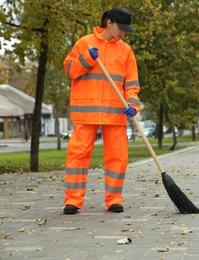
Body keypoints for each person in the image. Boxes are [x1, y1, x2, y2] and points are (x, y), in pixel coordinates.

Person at [63, 6, 140, 214]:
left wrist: (132, 104)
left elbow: (132, 84)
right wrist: (86, 59)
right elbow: (70, 69)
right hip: (86, 111)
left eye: (126, 29)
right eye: (120, 27)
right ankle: (73, 200)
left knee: (118, 156)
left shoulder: (126, 51)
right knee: (78, 155)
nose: (123, 32)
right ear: (109, 23)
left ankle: (114, 199)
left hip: (115, 112)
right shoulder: (85, 43)